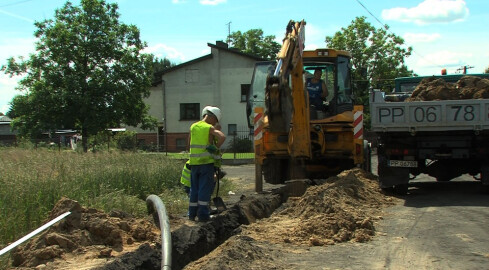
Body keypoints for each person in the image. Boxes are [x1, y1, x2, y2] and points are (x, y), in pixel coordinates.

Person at [188, 106, 226, 221]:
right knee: (204, 189)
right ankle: (203, 215)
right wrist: (215, 147)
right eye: (215, 120)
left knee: (194, 189)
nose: (215, 123)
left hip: (194, 164)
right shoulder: (209, 128)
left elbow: (189, 141)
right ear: (211, 116)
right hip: (206, 164)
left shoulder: (193, 126)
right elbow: (222, 137)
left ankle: (191, 214)